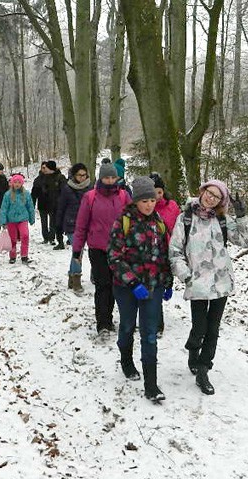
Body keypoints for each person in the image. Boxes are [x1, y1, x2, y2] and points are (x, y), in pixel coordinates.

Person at [168, 180, 248, 395]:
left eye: (216, 197)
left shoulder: (224, 220)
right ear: (202, 191)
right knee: (199, 328)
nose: (210, 198)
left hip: (220, 282)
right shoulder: (185, 218)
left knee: (213, 329)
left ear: (220, 201)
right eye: (209, 193)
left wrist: (242, 216)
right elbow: (175, 251)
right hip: (197, 283)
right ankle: (192, 350)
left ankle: (203, 369)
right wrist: (185, 275)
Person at [107, 176, 173, 402]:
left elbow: (164, 255)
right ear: (136, 201)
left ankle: (151, 385)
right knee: (127, 327)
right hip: (126, 288)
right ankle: (126, 360)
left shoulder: (159, 223)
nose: (149, 205)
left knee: (150, 334)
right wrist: (132, 283)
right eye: (144, 201)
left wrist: (167, 281)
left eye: (152, 200)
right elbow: (114, 257)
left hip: (152, 287)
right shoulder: (123, 222)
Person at [72, 162, 132, 334]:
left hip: (120, 249)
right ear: (100, 178)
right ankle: (103, 322)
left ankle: (112, 318)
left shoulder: (123, 196)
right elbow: (81, 225)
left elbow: (133, 221)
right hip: (97, 248)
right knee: (102, 285)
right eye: (107, 177)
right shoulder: (90, 197)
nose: (110, 180)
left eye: (113, 177)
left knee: (117, 285)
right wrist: (77, 250)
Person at [150, 172, 181, 335]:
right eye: (153, 192)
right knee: (152, 287)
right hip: (149, 252)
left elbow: (180, 228)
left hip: (168, 251)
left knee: (163, 284)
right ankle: (156, 323)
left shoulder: (172, 206)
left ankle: (168, 288)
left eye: (159, 192)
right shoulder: (144, 206)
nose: (156, 196)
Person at [56, 163, 92, 291]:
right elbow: (61, 207)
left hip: (88, 223)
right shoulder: (67, 188)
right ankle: (76, 278)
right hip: (72, 224)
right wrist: (58, 225)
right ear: (74, 175)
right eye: (79, 175)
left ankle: (72, 275)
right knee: (79, 251)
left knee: (78, 252)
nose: (82, 178)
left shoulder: (91, 188)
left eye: (84, 175)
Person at [0, 173, 36, 264]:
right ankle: (12, 256)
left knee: (25, 235)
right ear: (12, 183)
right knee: (13, 239)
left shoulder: (26, 194)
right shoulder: (7, 195)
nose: (17, 184)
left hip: (23, 219)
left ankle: (24, 256)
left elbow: (30, 207)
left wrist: (32, 218)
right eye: (15, 182)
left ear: (22, 183)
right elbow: (3, 208)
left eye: (19, 182)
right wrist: (3, 221)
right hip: (11, 220)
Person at [31, 160, 66, 248]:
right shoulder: (39, 179)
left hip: (54, 204)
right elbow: (34, 193)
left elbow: (63, 192)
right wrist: (32, 204)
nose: (44, 169)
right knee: (44, 222)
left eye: (46, 168)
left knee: (53, 222)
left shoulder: (59, 178)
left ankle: (52, 237)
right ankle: (46, 237)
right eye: (43, 168)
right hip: (42, 204)